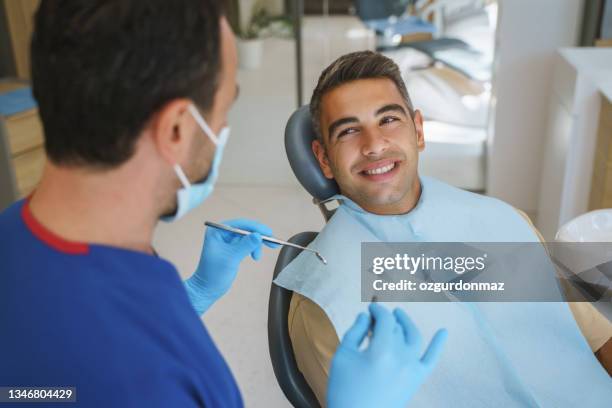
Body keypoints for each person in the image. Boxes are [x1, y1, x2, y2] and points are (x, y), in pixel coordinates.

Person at [0, 1, 447, 407]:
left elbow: (36, 388)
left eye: (390, 119)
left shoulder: (26, 237)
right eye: (223, 107)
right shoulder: (150, 383)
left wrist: (190, 296)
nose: (374, 145)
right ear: (177, 129)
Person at [274, 50, 612, 406]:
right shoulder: (323, 306)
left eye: (388, 120)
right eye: (349, 131)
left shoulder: (506, 221)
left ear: (418, 130)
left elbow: (600, 338)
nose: (374, 146)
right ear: (324, 159)